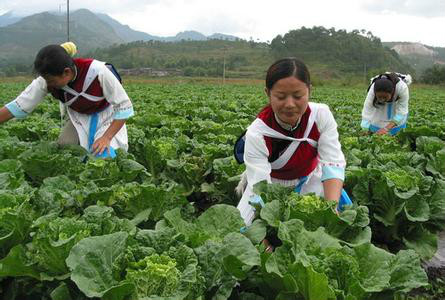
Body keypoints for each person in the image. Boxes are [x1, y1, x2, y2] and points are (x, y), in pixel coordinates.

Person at [235, 58, 350, 228]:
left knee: (335, 221)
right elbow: (260, 188)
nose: (290, 104)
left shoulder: (320, 116)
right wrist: (261, 231)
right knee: (244, 229)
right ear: (268, 93)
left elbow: (332, 163)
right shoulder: (257, 133)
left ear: (309, 91)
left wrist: (331, 208)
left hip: (310, 179)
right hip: (271, 186)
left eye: (298, 96)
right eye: (280, 97)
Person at [0, 42, 134, 158]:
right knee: (66, 149)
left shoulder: (98, 71)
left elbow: (124, 107)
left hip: (107, 117)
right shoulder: (47, 80)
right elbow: (18, 106)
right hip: (78, 118)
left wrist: (106, 137)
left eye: (52, 81)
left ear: (67, 72)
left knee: (103, 155)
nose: (49, 84)